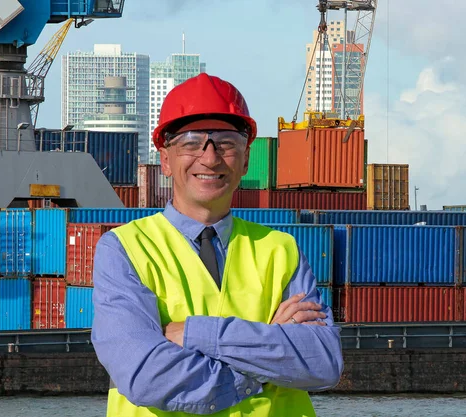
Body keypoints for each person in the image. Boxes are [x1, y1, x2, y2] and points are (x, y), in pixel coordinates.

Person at [91, 73, 343, 417]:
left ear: (245, 158)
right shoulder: (123, 249)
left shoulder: (281, 249)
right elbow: (146, 377)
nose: (209, 158)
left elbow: (323, 362)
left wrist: (197, 334)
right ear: (165, 159)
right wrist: (269, 358)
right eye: (191, 142)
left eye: (225, 142)